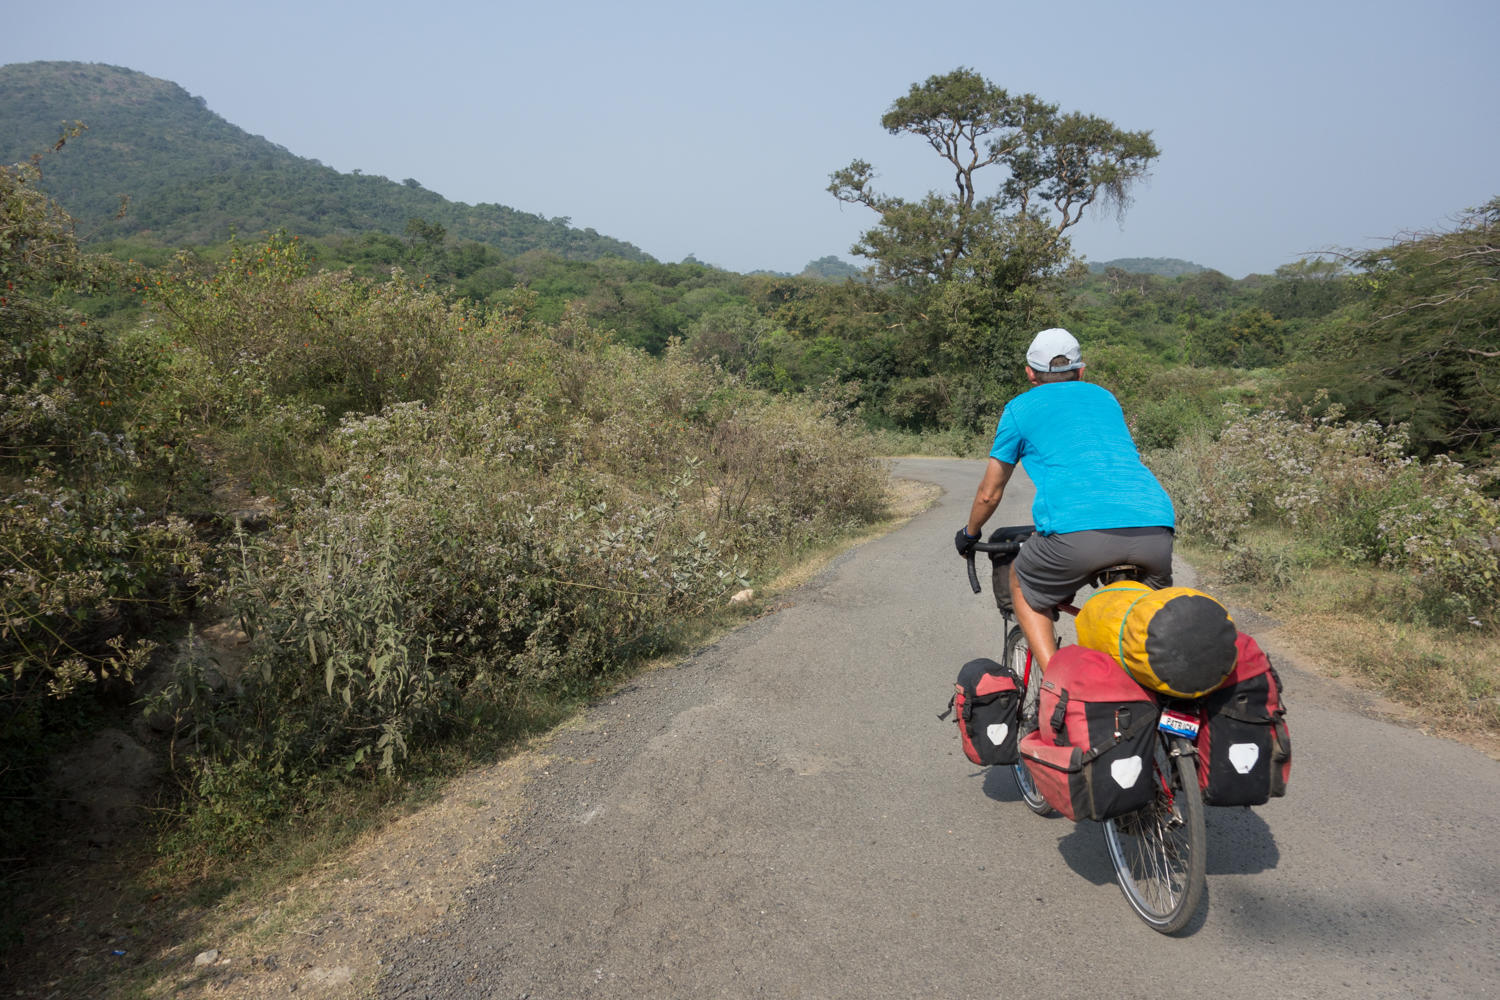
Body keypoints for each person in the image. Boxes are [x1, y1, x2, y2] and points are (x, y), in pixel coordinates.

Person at [954, 327, 1175, 671]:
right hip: (1156, 529)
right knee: (1148, 628)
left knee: (1022, 583)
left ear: (1030, 374)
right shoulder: (1106, 398)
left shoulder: (1019, 408)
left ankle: (1056, 684)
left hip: (1077, 534)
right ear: (1081, 371)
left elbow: (989, 493)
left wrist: (970, 534)